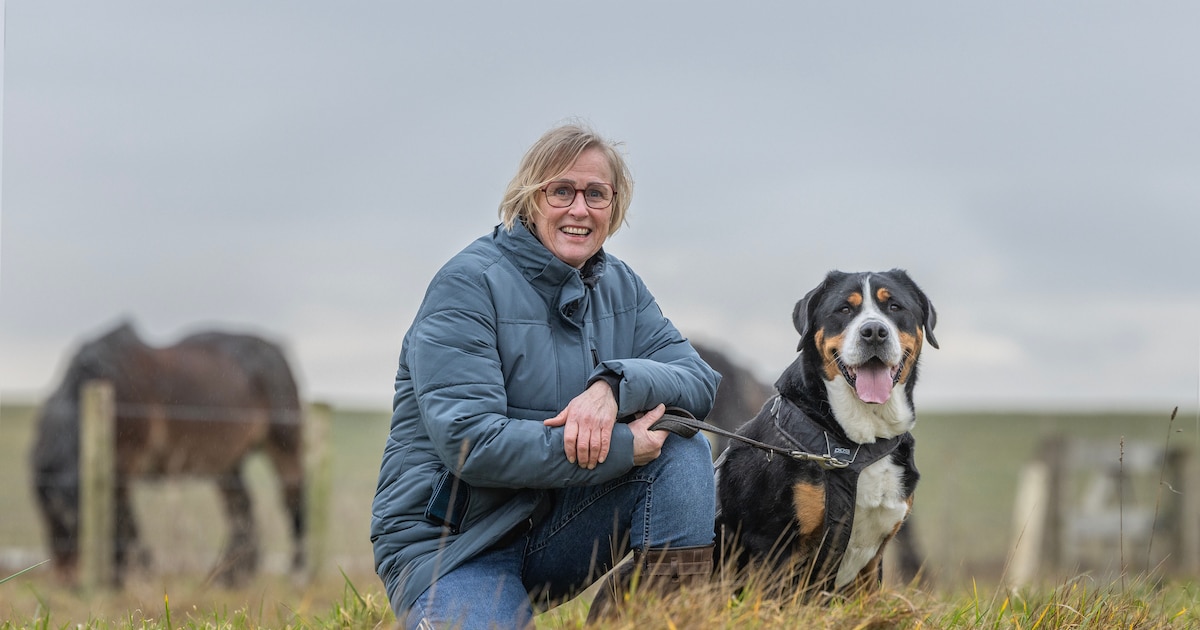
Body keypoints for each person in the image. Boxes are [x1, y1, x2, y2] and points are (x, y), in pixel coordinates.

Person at [371, 122, 720, 629]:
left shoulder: (621, 286)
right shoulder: (467, 285)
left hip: (553, 527)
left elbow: (698, 379)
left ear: (614, 205)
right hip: (455, 546)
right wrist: (623, 446)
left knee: (684, 452)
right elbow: (472, 444)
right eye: (562, 191)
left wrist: (612, 387)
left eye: (596, 194)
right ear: (530, 198)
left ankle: (657, 619)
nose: (579, 209)